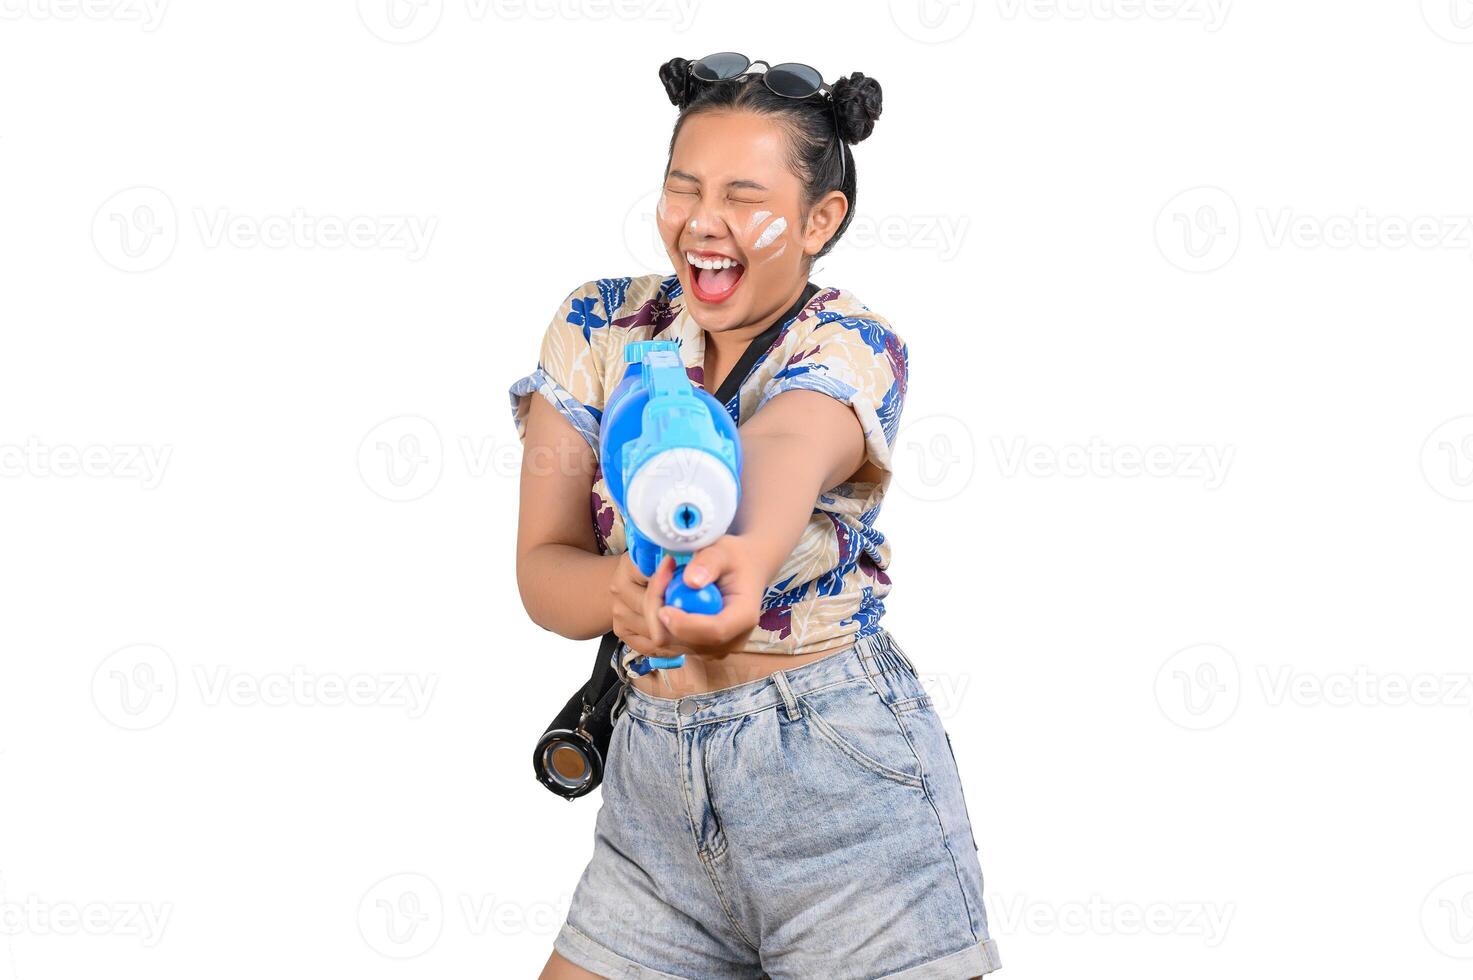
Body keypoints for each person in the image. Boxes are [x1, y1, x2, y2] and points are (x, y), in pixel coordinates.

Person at [510, 52, 1002, 980]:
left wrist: (742, 553)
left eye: (744, 195)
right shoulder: (598, 327)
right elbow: (543, 566)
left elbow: (784, 444)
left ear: (821, 220)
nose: (702, 223)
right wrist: (619, 591)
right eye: (682, 189)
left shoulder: (849, 342)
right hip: (652, 800)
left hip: (837, 789)